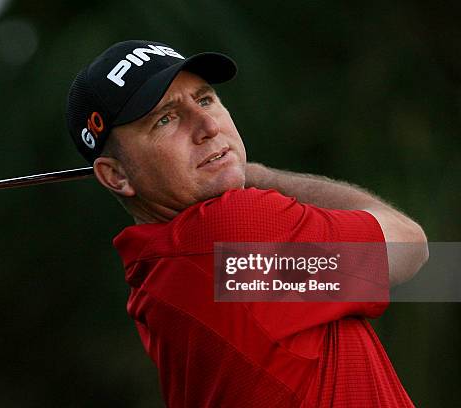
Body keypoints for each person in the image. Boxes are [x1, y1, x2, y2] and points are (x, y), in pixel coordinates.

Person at [66, 40, 428, 407]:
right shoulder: (233, 234)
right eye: (165, 119)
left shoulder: (154, 275)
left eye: (205, 100)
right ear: (115, 176)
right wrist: (263, 176)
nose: (208, 126)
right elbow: (411, 246)